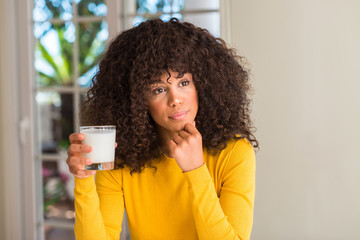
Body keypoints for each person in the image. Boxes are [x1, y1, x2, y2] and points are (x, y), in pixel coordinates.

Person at [66, 18, 258, 240]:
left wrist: (195, 169)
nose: (175, 99)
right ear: (137, 100)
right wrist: (83, 179)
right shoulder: (123, 158)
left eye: (183, 83)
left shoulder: (234, 152)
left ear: (203, 85)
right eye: (158, 89)